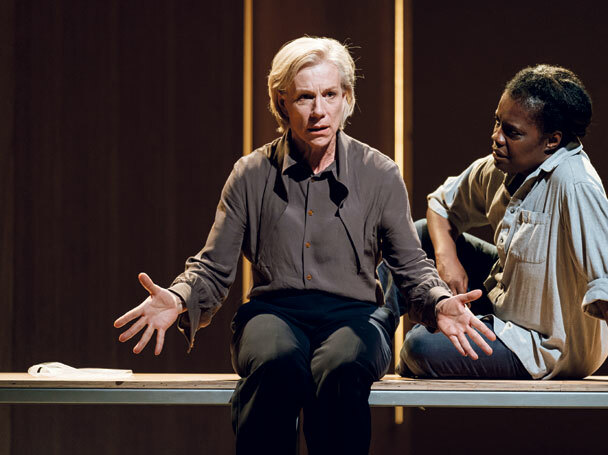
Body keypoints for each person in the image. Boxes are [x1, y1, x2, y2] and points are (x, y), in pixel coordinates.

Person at [113, 36, 495, 454]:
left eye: (330, 95)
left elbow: (411, 266)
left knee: (342, 364)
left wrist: (439, 302)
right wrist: (179, 297)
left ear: (346, 99)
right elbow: (213, 267)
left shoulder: (379, 173)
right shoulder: (251, 174)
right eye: (304, 97)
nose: (318, 110)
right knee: (276, 362)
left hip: (356, 316)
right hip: (274, 314)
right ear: (281, 103)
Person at [391, 64, 608, 383]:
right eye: (497, 122)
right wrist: (447, 258)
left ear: (551, 140)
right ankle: (367, 337)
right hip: (507, 300)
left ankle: (434, 341)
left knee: (418, 347)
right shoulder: (502, 166)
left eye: (512, 132)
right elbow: (442, 205)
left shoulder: (575, 184)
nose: (496, 138)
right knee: (417, 237)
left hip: (544, 344)